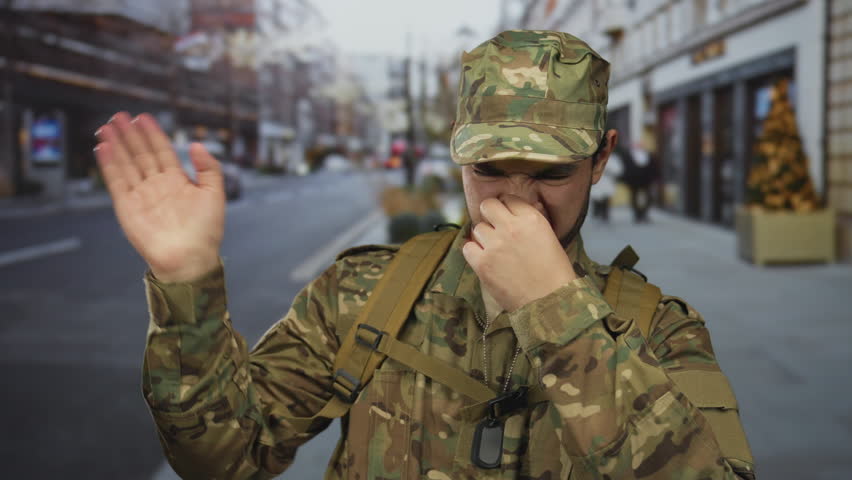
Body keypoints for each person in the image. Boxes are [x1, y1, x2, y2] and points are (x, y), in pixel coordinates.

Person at [95, 30, 755, 479]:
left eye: (552, 173)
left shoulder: (659, 331)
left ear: (601, 159)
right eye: (492, 168)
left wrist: (561, 317)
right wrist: (187, 286)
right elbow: (223, 456)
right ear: (458, 153)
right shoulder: (364, 293)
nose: (518, 203)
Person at [590, 145, 623, 222]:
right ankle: (597, 213)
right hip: (598, 182)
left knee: (606, 198)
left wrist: (609, 170)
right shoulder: (595, 157)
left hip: (608, 182)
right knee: (597, 198)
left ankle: (605, 214)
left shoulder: (613, 158)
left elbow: (618, 170)